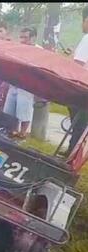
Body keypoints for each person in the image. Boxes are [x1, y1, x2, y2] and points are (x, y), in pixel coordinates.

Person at [3, 27, 38, 139]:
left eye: (25, 37)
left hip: (27, 86)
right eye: (21, 37)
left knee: (24, 111)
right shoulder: (17, 48)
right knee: (9, 110)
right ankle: (11, 132)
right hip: (14, 83)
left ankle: (22, 134)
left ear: (33, 38)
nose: (22, 40)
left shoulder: (38, 51)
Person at [66, 6, 88, 155]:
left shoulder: (87, 38)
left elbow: (77, 65)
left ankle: (71, 155)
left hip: (81, 88)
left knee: (78, 124)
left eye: (82, 21)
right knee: (81, 125)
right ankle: (73, 151)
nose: (82, 25)